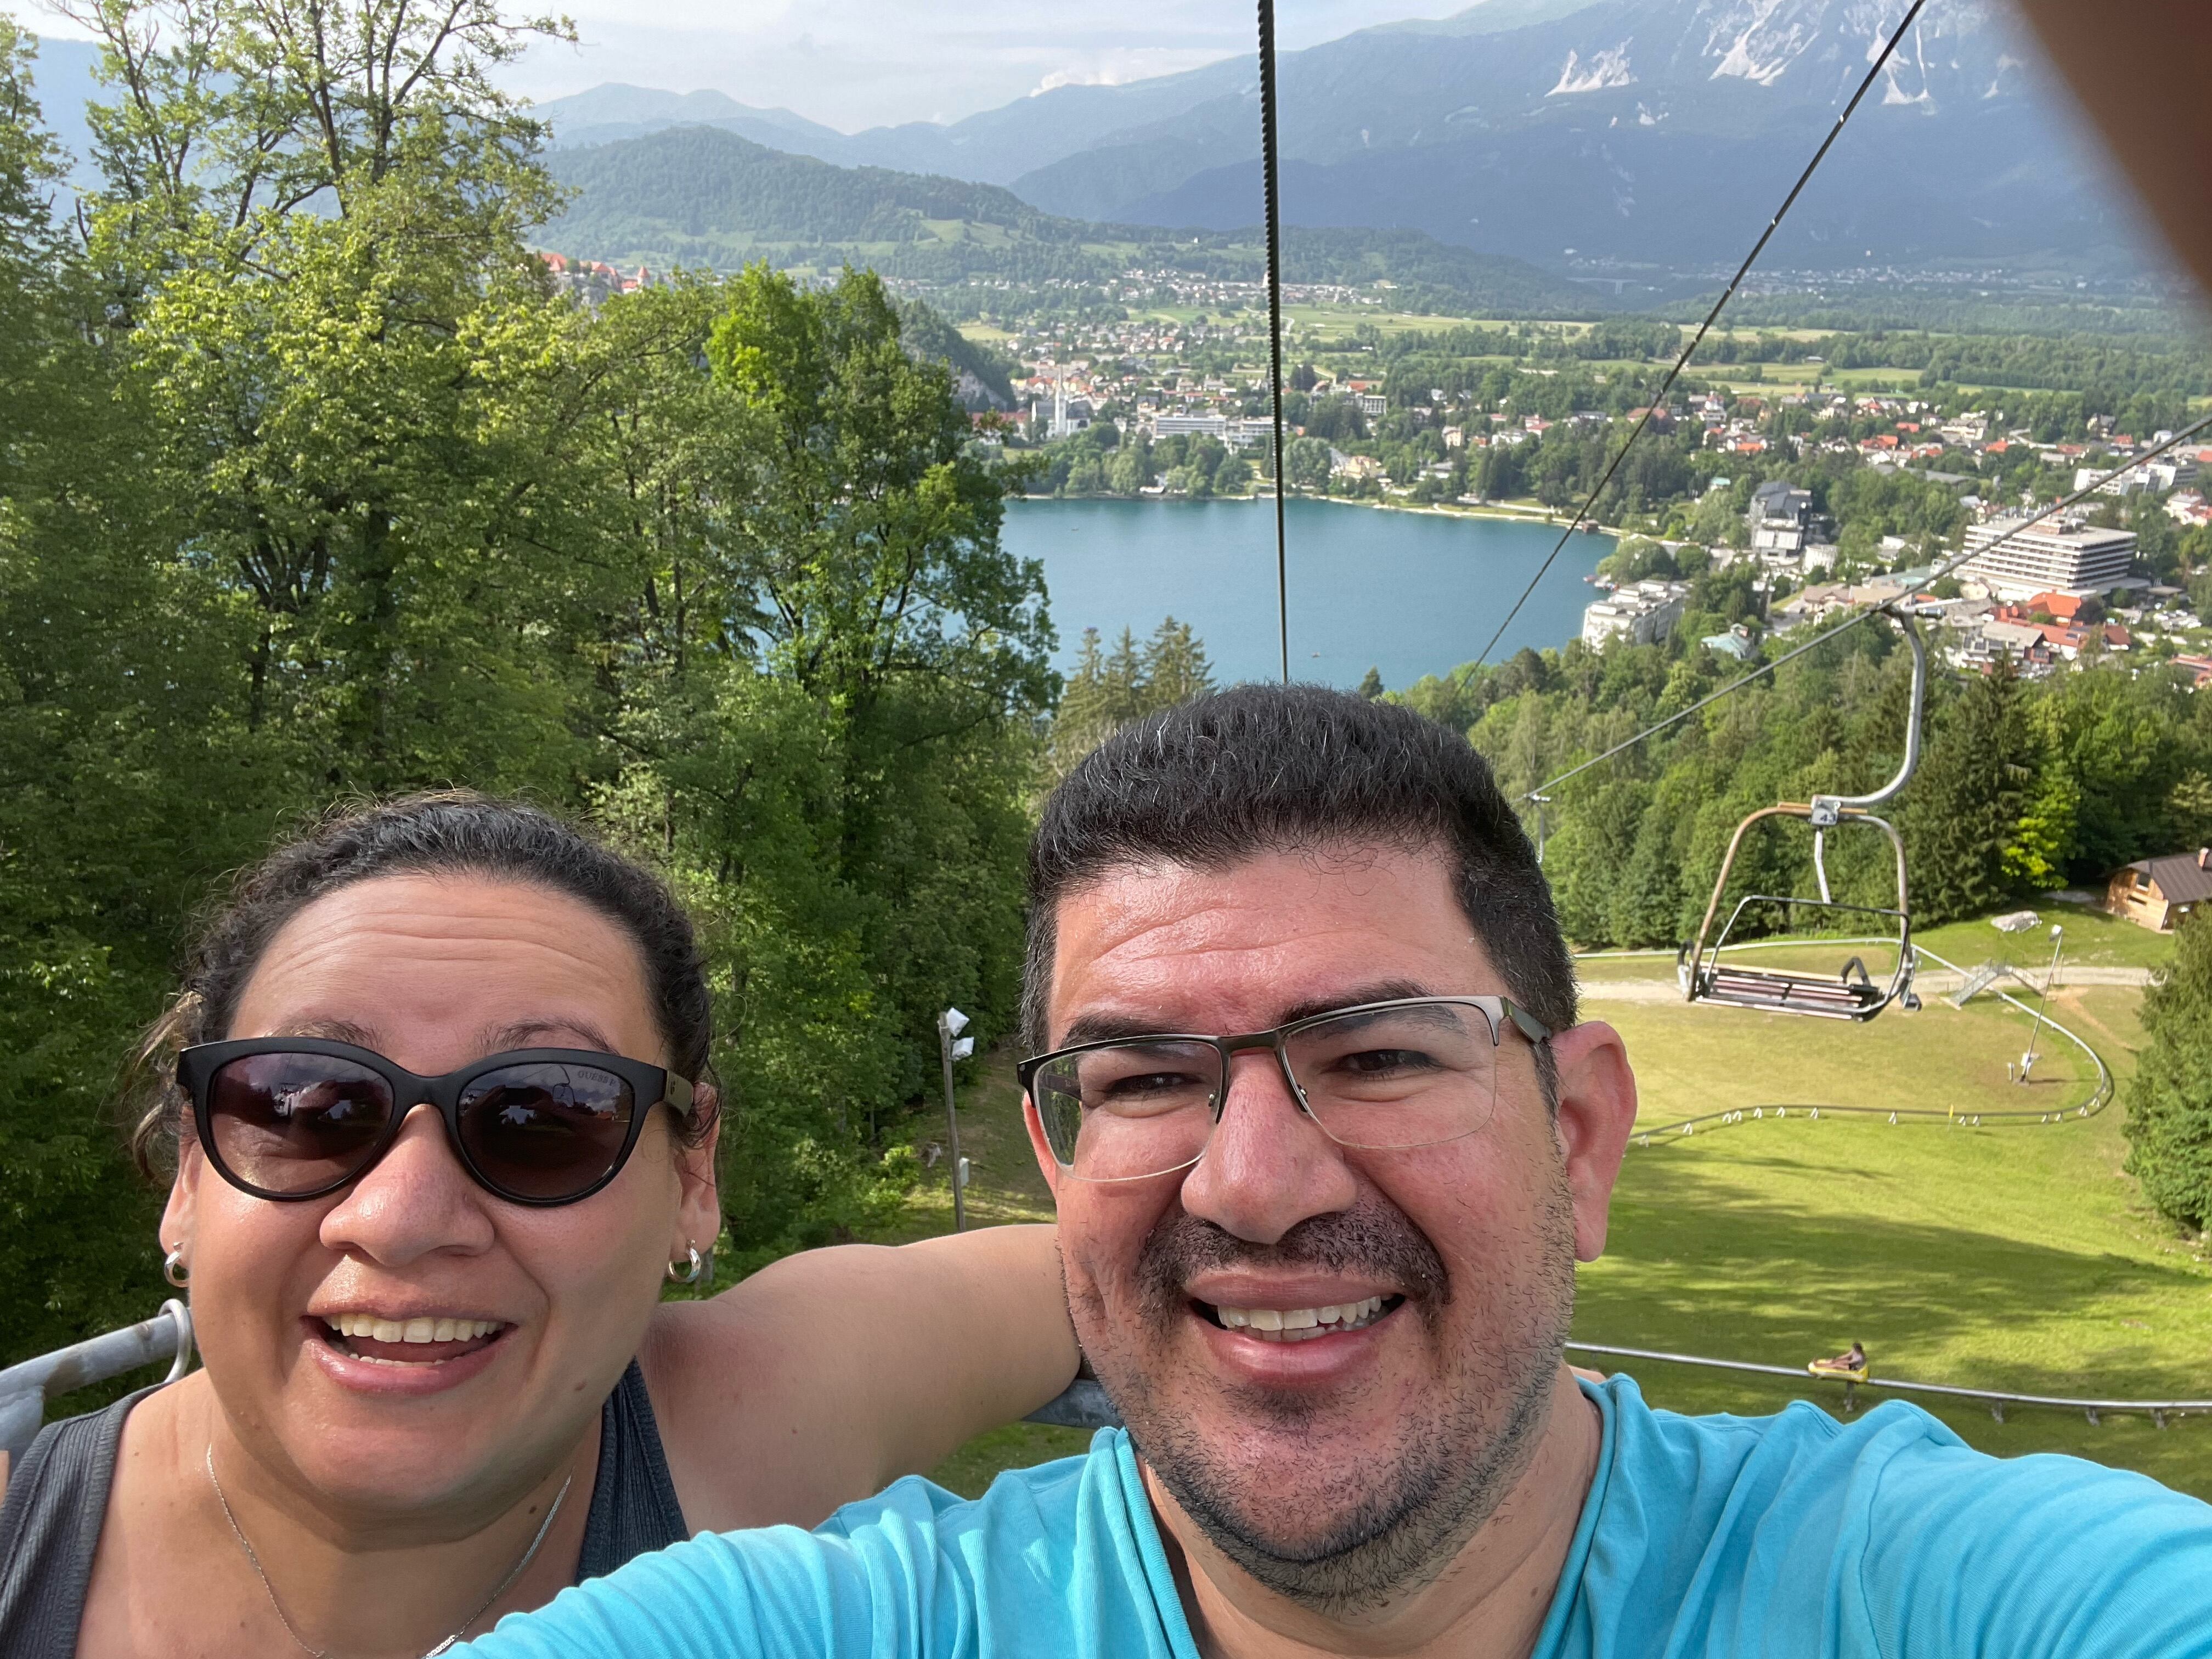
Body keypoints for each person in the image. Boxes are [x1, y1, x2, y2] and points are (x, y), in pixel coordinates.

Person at [452, 686, 2212, 1659]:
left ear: (1578, 1138)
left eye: (1376, 1052)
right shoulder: (863, 1629)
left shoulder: (1936, 1598)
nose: (1261, 1180)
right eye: (1147, 1077)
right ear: (1058, 1160)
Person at [0, 794, 1077, 1657]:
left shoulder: (747, 1421)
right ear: (191, 1169)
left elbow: (1111, 1269)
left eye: (542, 1118)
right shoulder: (19, 1545)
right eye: (309, 1108)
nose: (402, 1219)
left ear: (692, 1170)